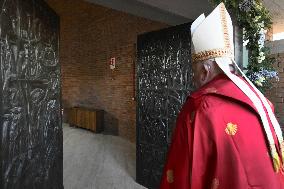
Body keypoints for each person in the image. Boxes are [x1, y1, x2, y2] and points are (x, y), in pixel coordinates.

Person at [159, 3, 284, 189]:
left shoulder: (200, 107)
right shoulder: (258, 98)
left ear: (205, 70)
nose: (193, 78)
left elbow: (183, 176)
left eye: (194, 70)